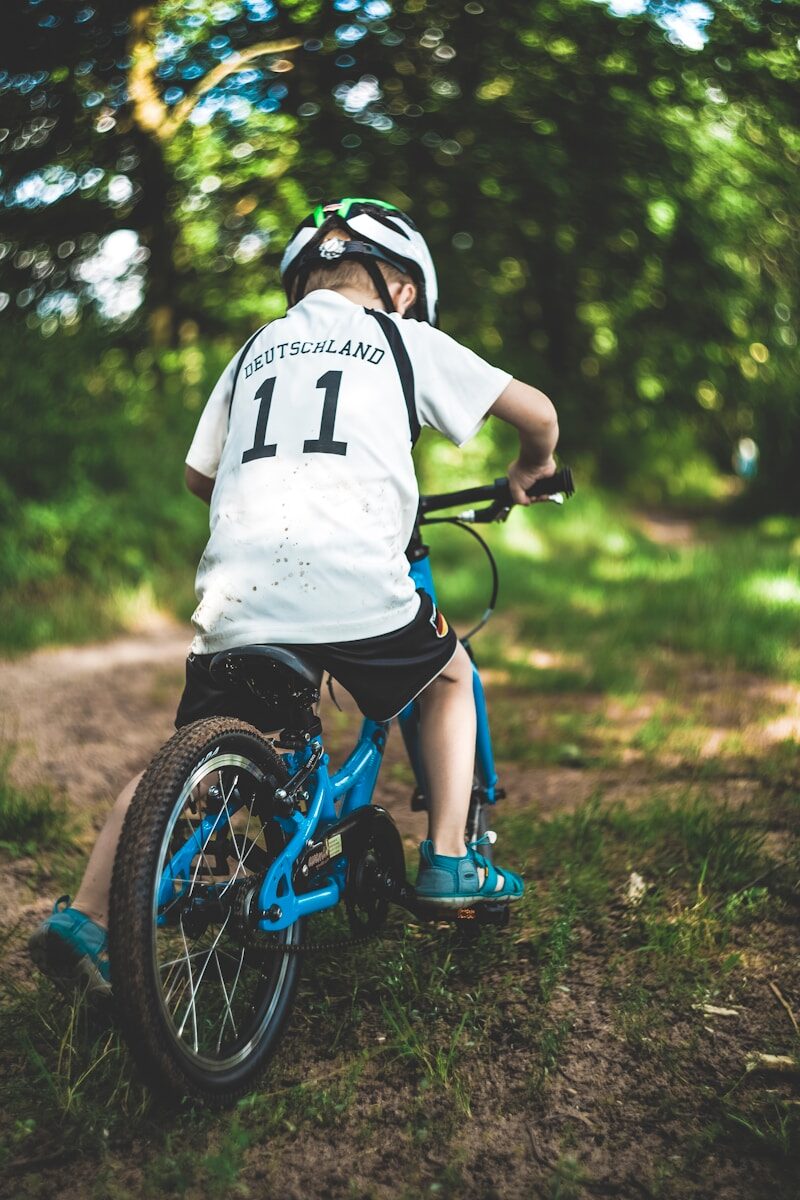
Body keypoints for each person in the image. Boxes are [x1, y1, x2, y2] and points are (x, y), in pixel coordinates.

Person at [29, 197, 559, 998]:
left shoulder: (253, 351)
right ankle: (450, 857)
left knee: (207, 735)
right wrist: (530, 469)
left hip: (240, 590)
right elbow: (539, 414)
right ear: (403, 288)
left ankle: (90, 919)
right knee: (449, 678)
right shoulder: (402, 338)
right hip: (353, 582)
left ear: (301, 281)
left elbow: (197, 476)